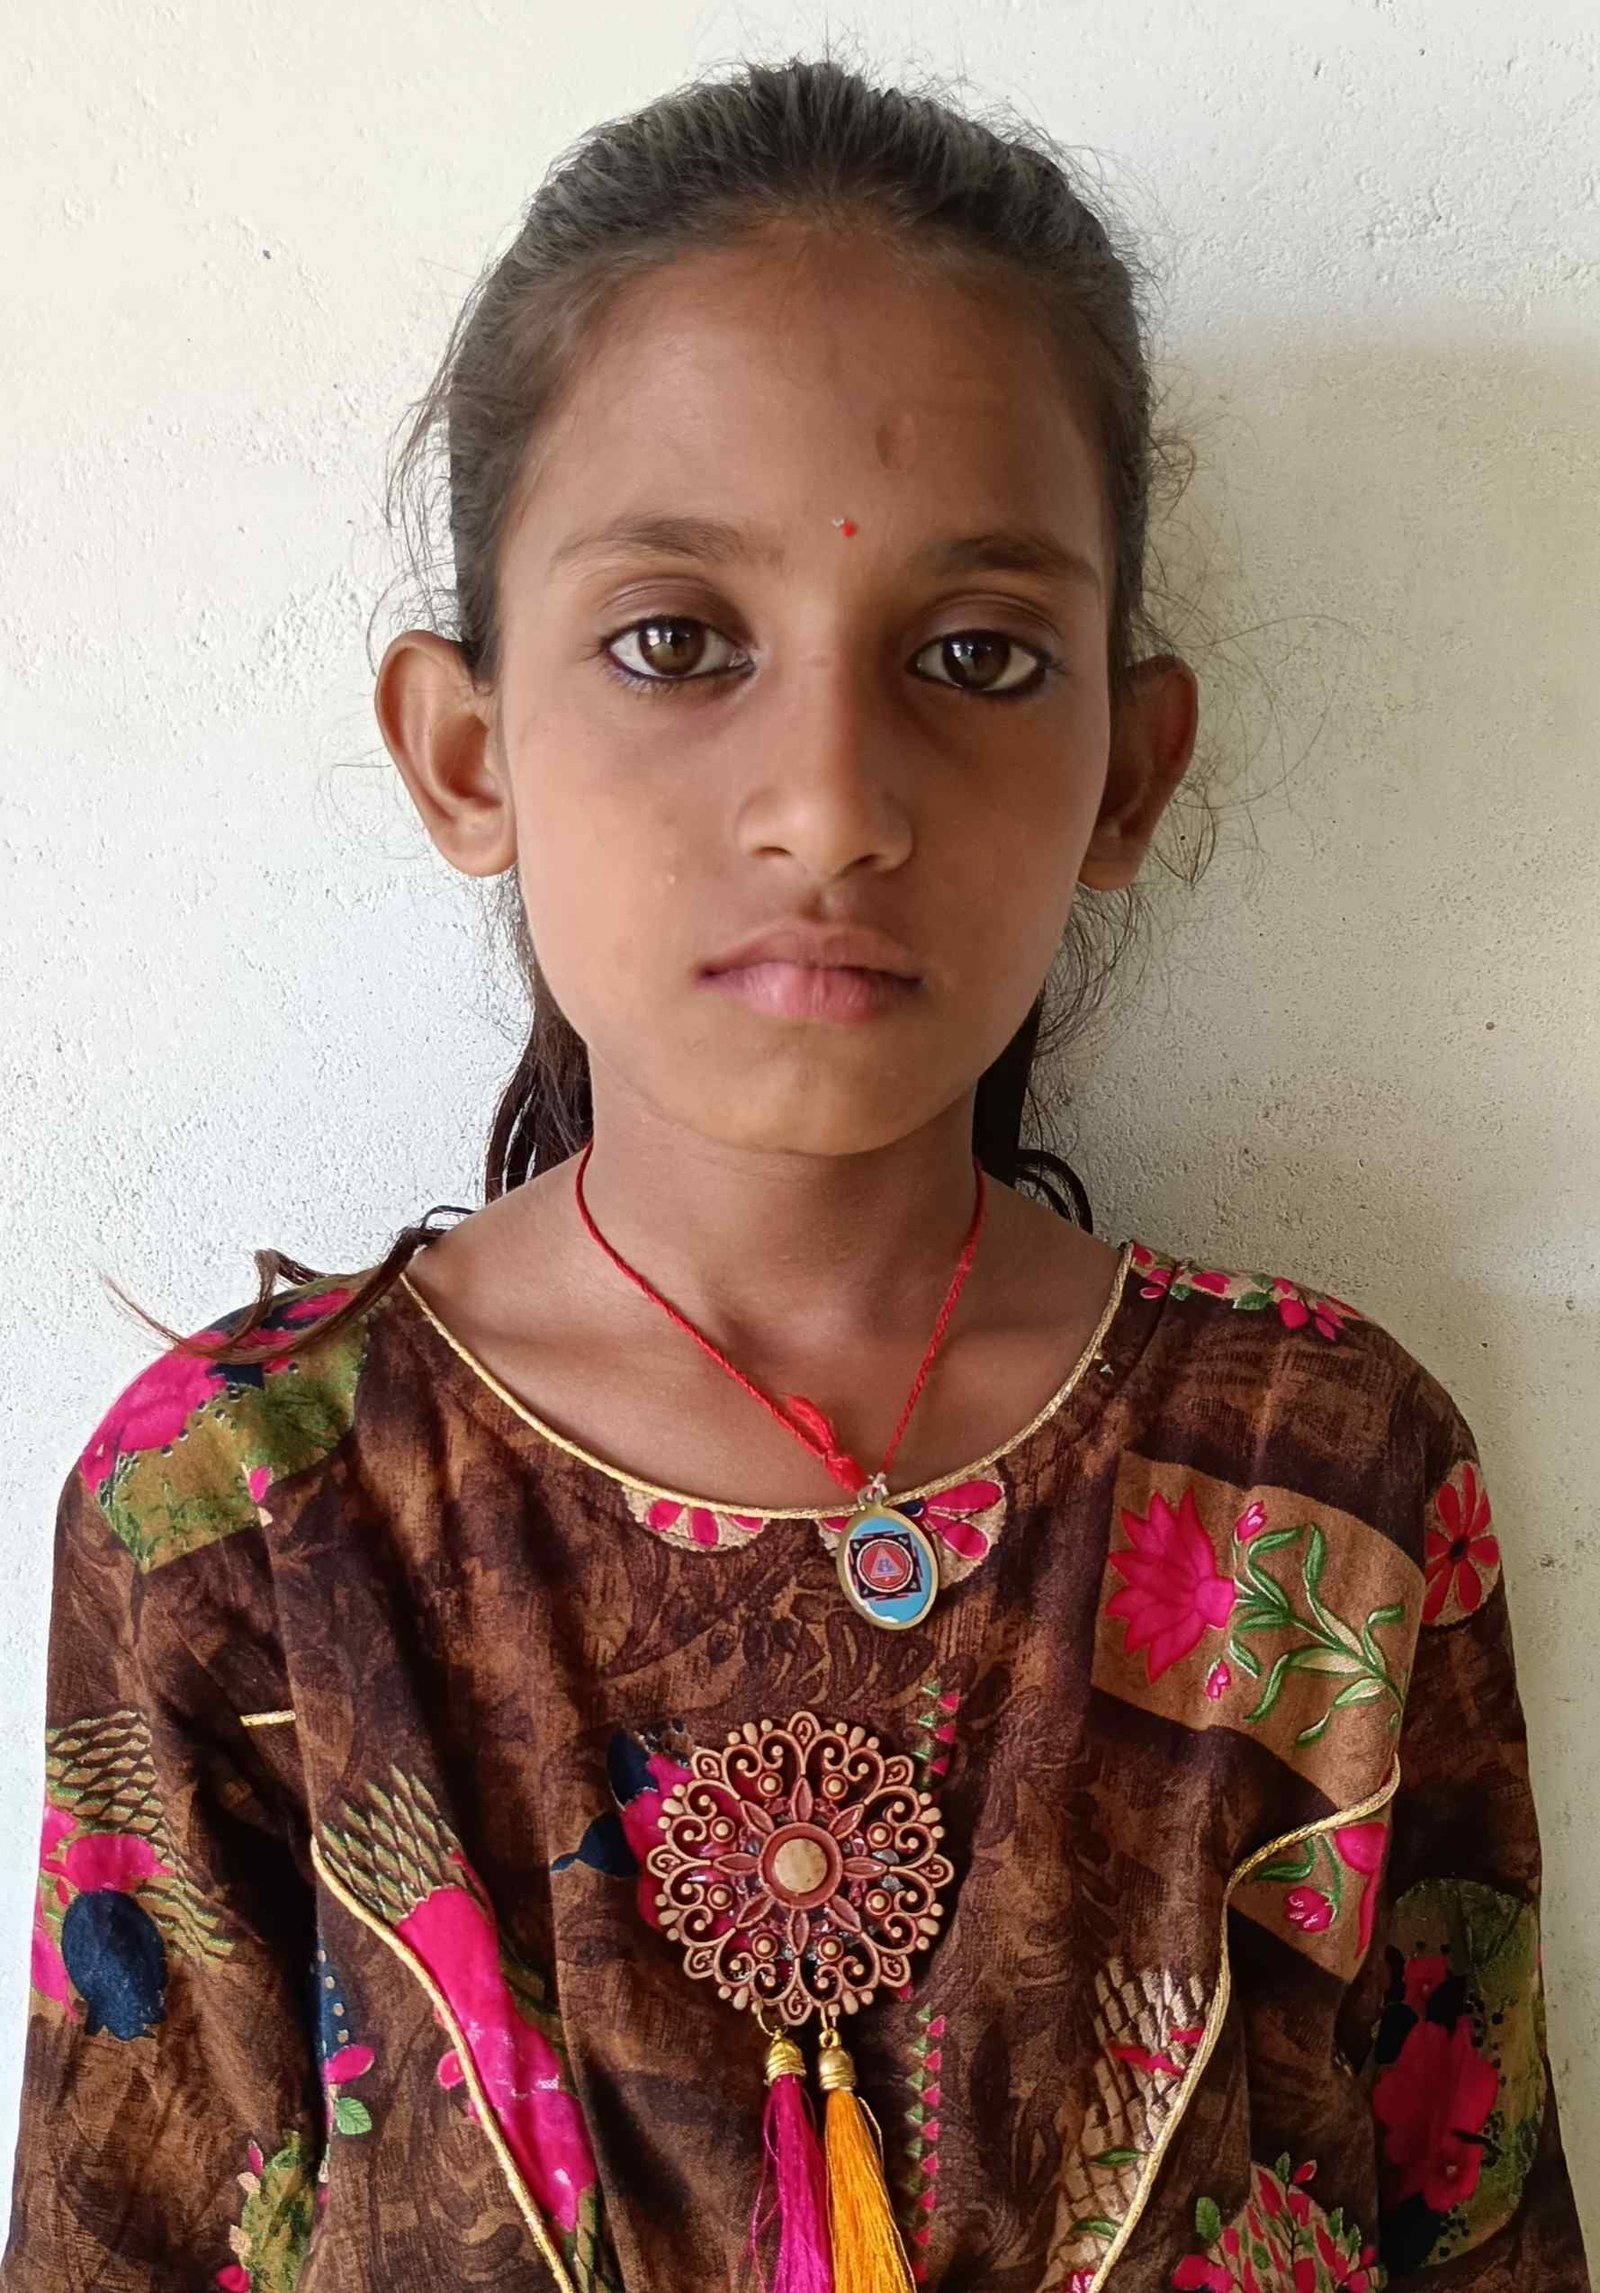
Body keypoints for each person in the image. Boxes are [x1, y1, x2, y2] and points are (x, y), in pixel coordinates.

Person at [2, 47, 1587, 2293]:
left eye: (975, 655)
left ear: (1127, 773)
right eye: (676, 643)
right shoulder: (247, 1515)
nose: (831, 802)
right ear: (465, 751)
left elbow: (1473, 2221)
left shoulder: (1314, 1484)